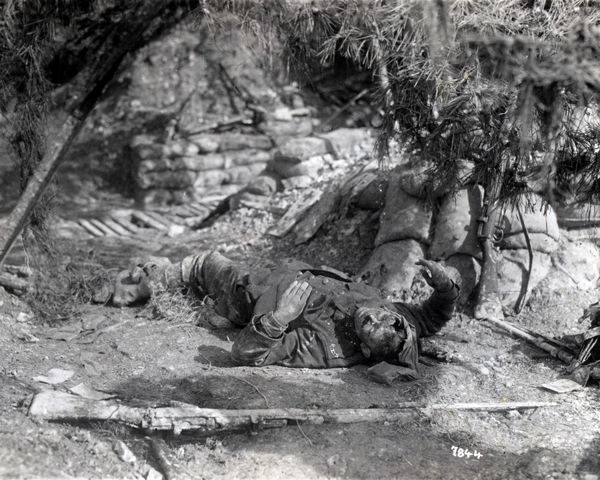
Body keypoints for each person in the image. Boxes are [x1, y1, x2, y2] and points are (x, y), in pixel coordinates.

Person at [112, 251, 460, 384]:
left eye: (371, 328)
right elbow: (435, 314)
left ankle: (147, 282)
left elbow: (247, 355)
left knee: (202, 264)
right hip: (279, 273)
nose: (377, 317)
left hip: (245, 293)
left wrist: (278, 320)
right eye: (389, 320)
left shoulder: (326, 348)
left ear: (367, 352)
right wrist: (443, 283)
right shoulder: (399, 319)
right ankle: (153, 267)